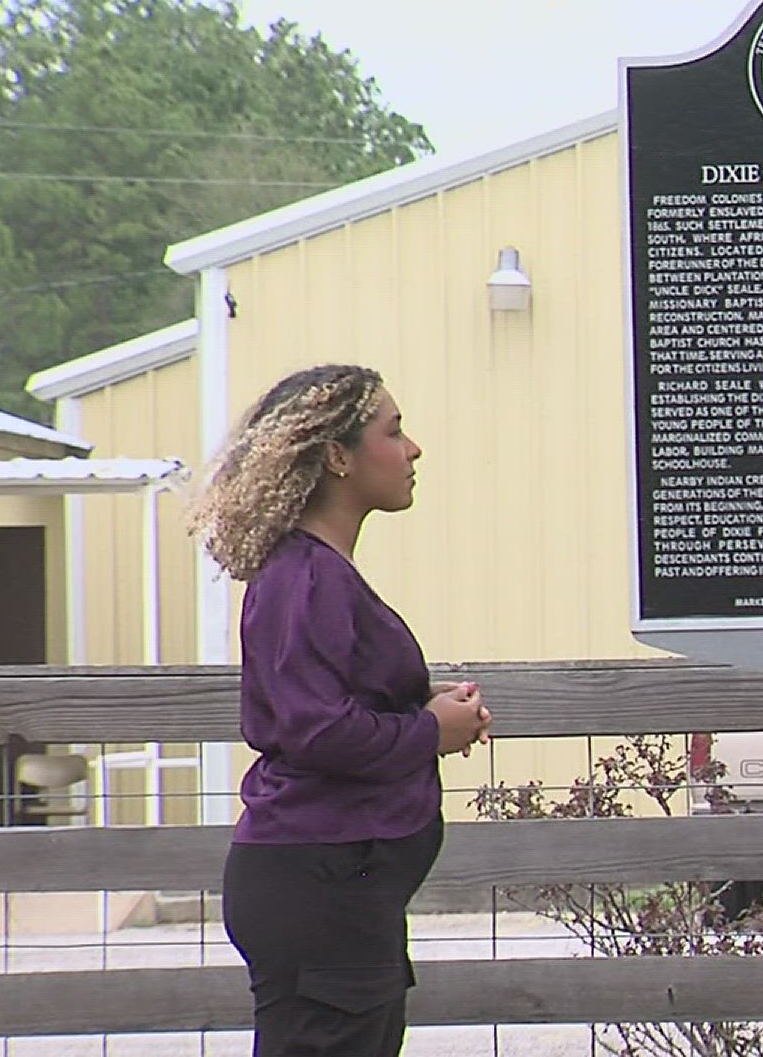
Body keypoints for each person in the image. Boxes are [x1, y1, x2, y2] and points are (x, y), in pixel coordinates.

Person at [187, 363, 490, 1056]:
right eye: (394, 430)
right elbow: (315, 728)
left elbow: (324, 701)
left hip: (337, 894)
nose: (412, 449)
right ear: (337, 457)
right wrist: (427, 732)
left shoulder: (317, 572)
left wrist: (420, 702)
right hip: (319, 888)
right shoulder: (304, 575)